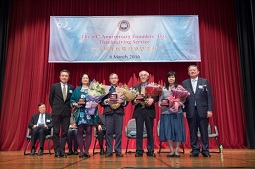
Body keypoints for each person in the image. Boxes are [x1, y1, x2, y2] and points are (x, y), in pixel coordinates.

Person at [182, 65, 213, 158]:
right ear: (188, 72)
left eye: (194, 70)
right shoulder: (185, 83)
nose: (192, 71)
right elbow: (183, 97)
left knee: (204, 131)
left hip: (202, 110)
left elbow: (209, 97)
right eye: (190, 70)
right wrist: (184, 110)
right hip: (190, 110)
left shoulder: (204, 81)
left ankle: (205, 150)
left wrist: (210, 109)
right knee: (192, 131)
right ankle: (195, 150)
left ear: (198, 71)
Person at [70, 73, 99, 158]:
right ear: (81, 79)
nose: (85, 79)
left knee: (89, 131)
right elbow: (72, 100)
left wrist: (96, 104)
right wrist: (75, 104)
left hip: (90, 113)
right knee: (80, 131)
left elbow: (97, 100)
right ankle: (81, 151)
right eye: (84, 78)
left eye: (87, 78)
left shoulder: (93, 90)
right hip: (80, 113)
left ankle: (86, 151)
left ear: (89, 80)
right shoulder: (77, 90)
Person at [159, 71, 186, 158]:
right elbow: (160, 99)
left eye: (173, 77)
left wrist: (179, 103)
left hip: (177, 112)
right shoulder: (163, 88)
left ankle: (177, 150)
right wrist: (160, 104)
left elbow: (184, 98)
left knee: (177, 130)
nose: (171, 78)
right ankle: (171, 150)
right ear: (167, 78)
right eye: (169, 77)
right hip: (166, 112)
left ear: (175, 78)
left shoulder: (180, 88)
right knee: (168, 131)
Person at [132, 70, 158, 157]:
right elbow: (132, 101)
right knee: (139, 132)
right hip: (139, 111)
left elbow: (157, 97)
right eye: (141, 75)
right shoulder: (135, 87)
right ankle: (139, 150)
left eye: (144, 75)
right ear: (140, 77)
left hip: (149, 111)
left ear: (148, 77)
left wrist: (152, 100)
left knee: (150, 132)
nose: (143, 77)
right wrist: (135, 101)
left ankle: (150, 150)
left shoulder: (153, 86)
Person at [100, 73, 127, 157]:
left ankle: (118, 150)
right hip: (109, 112)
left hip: (119, 112)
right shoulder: (105, 90)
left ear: (118, 79)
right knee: (108, 132)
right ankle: (109, 150)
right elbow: (101, 102)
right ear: (109, 80)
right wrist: (106, 101)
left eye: (115, 78)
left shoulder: (122, 90)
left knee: (119, 132)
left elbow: (127, 101)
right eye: (112, 78)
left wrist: (123, 102)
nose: (114, 79)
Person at [49, 69, 74, 158]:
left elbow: (72, 100)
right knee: (56, 132)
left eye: (66, 76)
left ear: (68, 77)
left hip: (67, 113)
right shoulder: (54, 86)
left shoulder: (71, 87)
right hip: (56, 112)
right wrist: (56, 108)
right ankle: (57, 151)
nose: (64, 77)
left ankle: (62, 151)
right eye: (63, 75)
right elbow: (51, 100)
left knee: (64, 133)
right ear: (60, 77)